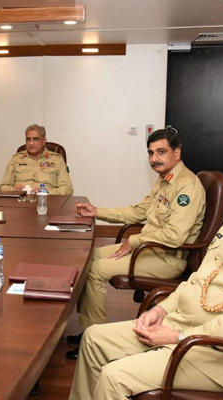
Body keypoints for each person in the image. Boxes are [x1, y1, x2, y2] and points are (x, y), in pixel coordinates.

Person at [69, 142, 223, 400]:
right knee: (93, 339)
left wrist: (177, 335)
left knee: (113, 377)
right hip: (181, 325)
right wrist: (161, 310)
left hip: (215, 354)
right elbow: (199, 279)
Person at [66, 127, 205, 360]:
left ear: (177, 153)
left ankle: (94, 340)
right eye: (150, 153)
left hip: (166, 258)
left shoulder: (187, 186)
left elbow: (174, 236)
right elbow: (137, 212)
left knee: (96, 270)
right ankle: (88, 331)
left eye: (161, 152)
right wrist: (96, 211)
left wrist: (134, 240)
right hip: (150, 249)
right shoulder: (164, 181)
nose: (154, 159)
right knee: (87, 257)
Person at [0, 124, 73, 195]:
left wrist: (47, 192)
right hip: (20, 201)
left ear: (44, 141)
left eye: (35, 139)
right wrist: (13, 190)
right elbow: (3, 187)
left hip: (47, 201)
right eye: (28, 139)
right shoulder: (16, 159)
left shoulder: (57, 159)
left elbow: (68, 189)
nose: (31, 143)